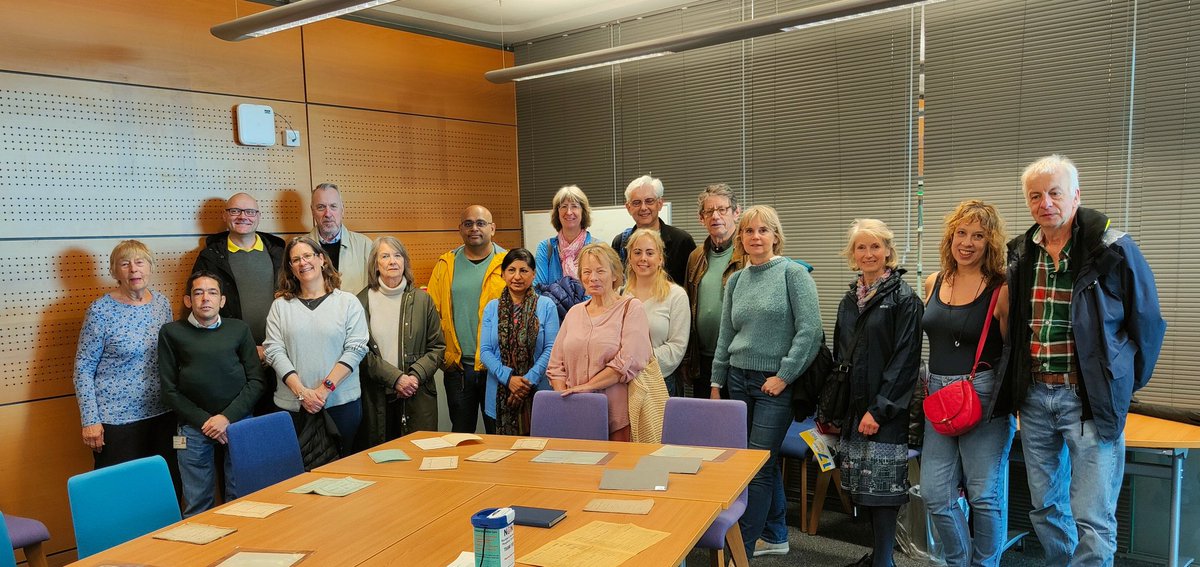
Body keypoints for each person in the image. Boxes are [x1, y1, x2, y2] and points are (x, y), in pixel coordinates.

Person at [1004, 154, 1164, 566]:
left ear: (1076, 196)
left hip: (1089, 401)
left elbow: (1146, 322)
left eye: (1055, 193)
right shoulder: (1022, 253)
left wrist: (1120, 383)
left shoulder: (1113, 249)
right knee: (1044, 508)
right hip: (1037, 399)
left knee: (1093, 517)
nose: (1046, 203)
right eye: (1035, 196)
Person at [708, 205, 823, 559]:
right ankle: (774, 534)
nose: (755, 237)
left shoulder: (793, 274)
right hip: (738, 382)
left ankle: (737, 551)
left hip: (775, 384)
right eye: (748, 231)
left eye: (763, 230)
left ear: (775, 235)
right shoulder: (736, 280)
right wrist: (716, 382)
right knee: (760, 461)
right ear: (740, 238)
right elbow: (726, 334)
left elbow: (810, 332)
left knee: (754, 468)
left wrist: (784, 376)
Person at [920, 201, 1015, 567]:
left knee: (984, 494)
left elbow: (1010, 353)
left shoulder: (1001, 289)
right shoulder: (934, 281)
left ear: (990, 242)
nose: (968, 243)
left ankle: (985, 564)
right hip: (939, 394)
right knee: (935, 493)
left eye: (978, 235)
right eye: (961, 233)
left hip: (984, 393)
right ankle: (960, 561)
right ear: (950, 237)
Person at [833, 218, 923, 567]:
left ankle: (884, 561)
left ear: (888, 251)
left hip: (884, 412)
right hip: (855, 410)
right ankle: (880, 557)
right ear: (852, 254)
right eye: (861, 247)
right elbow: (843, 355)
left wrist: (880, 409)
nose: (868, 253)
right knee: (864, 489)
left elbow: (905, 361)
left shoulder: (904, 298)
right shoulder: (850, 298)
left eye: (875, 246)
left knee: (884, 493)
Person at [72, 240, 179, 488]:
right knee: (121, 490)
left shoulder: (162, 304)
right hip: (117, 421)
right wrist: (90, 421)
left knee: (167, 483)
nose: (133, 270)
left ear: (150, 267)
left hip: (163, 414)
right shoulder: (100, 311)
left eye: (140, 262)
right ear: (114, 271)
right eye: (125, 264)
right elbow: (83, 369)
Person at [158, 271, 264, 517]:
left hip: (238, 423)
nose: (205, 298)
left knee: (242, 499)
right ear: (188, 301)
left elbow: (257, 381)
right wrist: (207, 422)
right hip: (193, 429)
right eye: (198, 292)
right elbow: (169, 391)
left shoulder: (239, 329)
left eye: (212, 292)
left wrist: (226, 419)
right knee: (197, 503)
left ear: (222, 301)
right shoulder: (171, 333)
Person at [264, 236, 369, 456]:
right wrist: (302, 393)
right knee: (295, 477)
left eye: (308, 256)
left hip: (340, 406)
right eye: (296, 260)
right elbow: (274, 351)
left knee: (344, 473)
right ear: (291, 268)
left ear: (322, 259)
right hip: (292, 407)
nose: (303, 263)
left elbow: (356, 348)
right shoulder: (280, 307)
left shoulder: (348, 303)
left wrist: (323, 391)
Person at [192, 192, 285, 415]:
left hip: (280, 353)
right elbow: (203, 309)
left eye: (249, 211)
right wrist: (247, 350)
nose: (243, 216)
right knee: (242, 425)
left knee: (277, 422)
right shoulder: (210, 257)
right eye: (235, 211)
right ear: (225, 216)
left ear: (258, 216)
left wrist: (272, 347)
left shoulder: (280, 253)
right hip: (234, 358)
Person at [547, 243, 651, 442]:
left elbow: (626, 362)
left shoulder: (631, 307)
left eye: (600, 271)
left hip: (616, 416)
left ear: (614, 275)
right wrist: (565, 396)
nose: (592, 278)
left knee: (615, 471)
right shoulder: (574, 312)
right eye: (586, 272)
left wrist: (586, 388)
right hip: (574, 413)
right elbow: (555, 366)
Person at [355, 236, 445, 450]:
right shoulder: (360, 302)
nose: (392, 261)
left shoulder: (423, 300)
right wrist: (396, 379)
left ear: (405, 261)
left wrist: (413, 378)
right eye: (385, 256)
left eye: (397, 255)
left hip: (417, 394)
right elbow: (359, 352)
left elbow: (438, 347)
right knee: (382, 458)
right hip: (377, 399)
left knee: (421, 456)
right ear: (375, 264)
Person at [428, 205, 507, 433]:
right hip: (459, 369)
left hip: (498, 369)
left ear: (492, 229)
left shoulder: (508, 264)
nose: (475, 228)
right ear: (460, 229)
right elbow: (432, 314)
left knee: (500, 433)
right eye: (468, 223)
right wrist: (444, 358)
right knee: (461, 436)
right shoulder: (445, 265)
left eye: (481, 223)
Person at [479, 248, 560, 435]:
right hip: (498, 395)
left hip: (537, 393)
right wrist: (508, 379)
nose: (517, 276)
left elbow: (551, 349)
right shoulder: (492, 308)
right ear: (502, 274)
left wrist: (526, 381)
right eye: (511, 270)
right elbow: (485, 351)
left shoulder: (546, 305)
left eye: (524, 270)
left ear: (533, 274)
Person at [684, 183, 745, 399]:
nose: (715, 216)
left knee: (738, 428)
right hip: (703, 360)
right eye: (709, 211)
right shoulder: (695, 257)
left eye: (722, 209)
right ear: (701, 218)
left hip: (738, 361)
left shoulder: (749, 254)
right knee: (707, 428)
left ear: (736, 213)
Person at [623, 229, 690, 397]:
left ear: (660, 259)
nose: (643, 258)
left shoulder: (676, 295)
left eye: (650, 253)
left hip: (660, 383)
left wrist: (636, 360)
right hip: (623, 382)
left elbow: (677, 347)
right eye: (637, 252)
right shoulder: (620, 295)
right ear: (630, 258)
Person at [611, 174, 696, 285]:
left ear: (660, 204)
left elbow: (692, 287)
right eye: (636, 203)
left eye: (649, 201)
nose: (643, 208)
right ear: (628, 208)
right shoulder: (620, 243)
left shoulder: (682, 241)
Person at [308, 182, 373, 294]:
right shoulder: (299, 250)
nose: (328, 214)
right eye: (321, 207)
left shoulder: (365, 246)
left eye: (333, 206)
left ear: (342, 210)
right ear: (312, 211)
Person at [533, 185, 594, 287]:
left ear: (583, 212)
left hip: (589, 303)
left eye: (574, 206)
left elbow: (600, 290)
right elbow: (539, 288)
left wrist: (580, 304)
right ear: (557, 213)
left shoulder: (597, 247)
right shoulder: (545, 248)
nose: (569, 212)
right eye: (564, 206)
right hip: (552, 303)